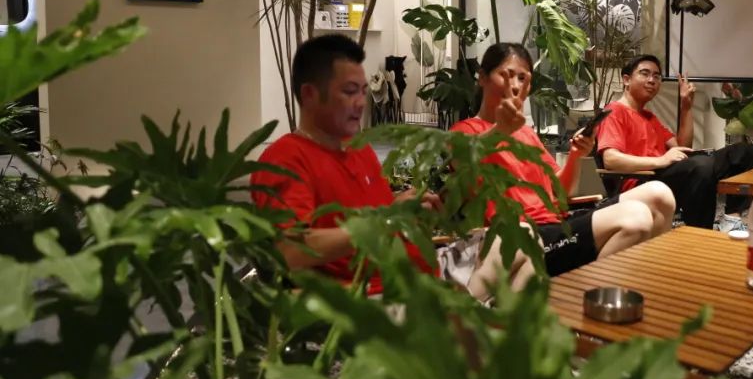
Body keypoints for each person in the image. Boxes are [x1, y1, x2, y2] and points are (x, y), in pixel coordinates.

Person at [451, 43, 675, 297]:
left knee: (659, 194)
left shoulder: (526, 134)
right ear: (482, 77)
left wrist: (576, 155)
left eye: (522, 78)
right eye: (506, 75)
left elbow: (561, 194)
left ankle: (641, 285)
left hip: (558, 225)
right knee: (636, 218)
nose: (514, 85)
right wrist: (500, 130)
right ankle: (585, 299)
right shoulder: (463, 131)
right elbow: (465, 165)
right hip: (527, 235)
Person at [251, 34, 439, 295]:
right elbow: (291, 250)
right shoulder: (285, 158)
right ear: (309, 94)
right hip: (371, 300)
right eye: (349, 92)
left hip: (415, 281)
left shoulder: (358, 148)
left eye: (363, 91)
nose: (361, 103)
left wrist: (401, 204)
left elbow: (368, 212)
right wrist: (386, 219)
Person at [595, 54, 753, 228]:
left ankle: (732, 220)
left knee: (743, 153)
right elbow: (611, 160)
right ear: (626, 80)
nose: (652, 80)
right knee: (700, 166)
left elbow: (683, 148)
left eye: (656, 76)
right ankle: (699, 233)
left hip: (663, 175)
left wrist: (686, 106)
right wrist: (661, 160)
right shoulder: (614, 111)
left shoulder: (649, 117)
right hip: (640, 184)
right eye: (645, 73)